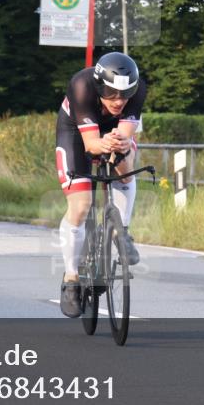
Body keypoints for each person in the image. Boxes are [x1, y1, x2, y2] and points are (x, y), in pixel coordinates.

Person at [55, 52, 146, 318]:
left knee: (125, 170)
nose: (119, 101)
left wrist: (120, 145)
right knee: (81, 206)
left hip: (113, 132)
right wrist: (104, 144)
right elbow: (91, 145)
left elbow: (125, 138)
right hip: (76, 133)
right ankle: (71, 278)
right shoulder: (81, 86)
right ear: (99, 87)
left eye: (125, 95)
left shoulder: (137, 89)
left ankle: (122, 231)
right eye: (112, 95)